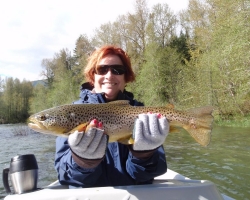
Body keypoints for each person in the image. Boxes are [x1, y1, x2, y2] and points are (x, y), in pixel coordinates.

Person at [55, 45, 169, 187]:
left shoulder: (142, 114)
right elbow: (65, 175)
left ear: (126, 77)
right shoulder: (72, 113)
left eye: (118, 70)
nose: (109, 75)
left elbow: (149, 173)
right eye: (102, 69)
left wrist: (145, 155)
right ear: (93, 75)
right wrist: (82, 161)